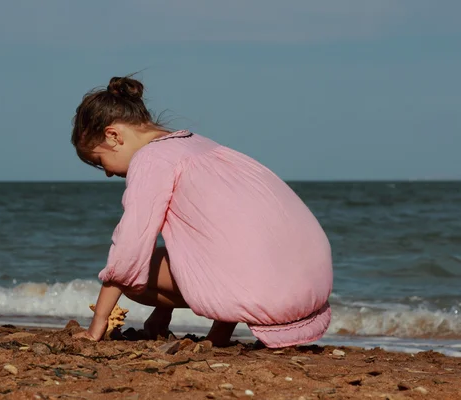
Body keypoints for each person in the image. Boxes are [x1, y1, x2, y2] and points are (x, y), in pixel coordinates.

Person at [70, 75, 333, 348]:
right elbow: (214, 240)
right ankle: (218, 333)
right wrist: (161, 316)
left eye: (99, 162)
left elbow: (129, 247)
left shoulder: (150, 159)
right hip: (312, 284)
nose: (109, 174)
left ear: (113, 135)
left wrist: (98, 323)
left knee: (130, 274)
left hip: (265, 292)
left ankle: (219, 326)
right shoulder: (197, 143)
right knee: (190, 248)